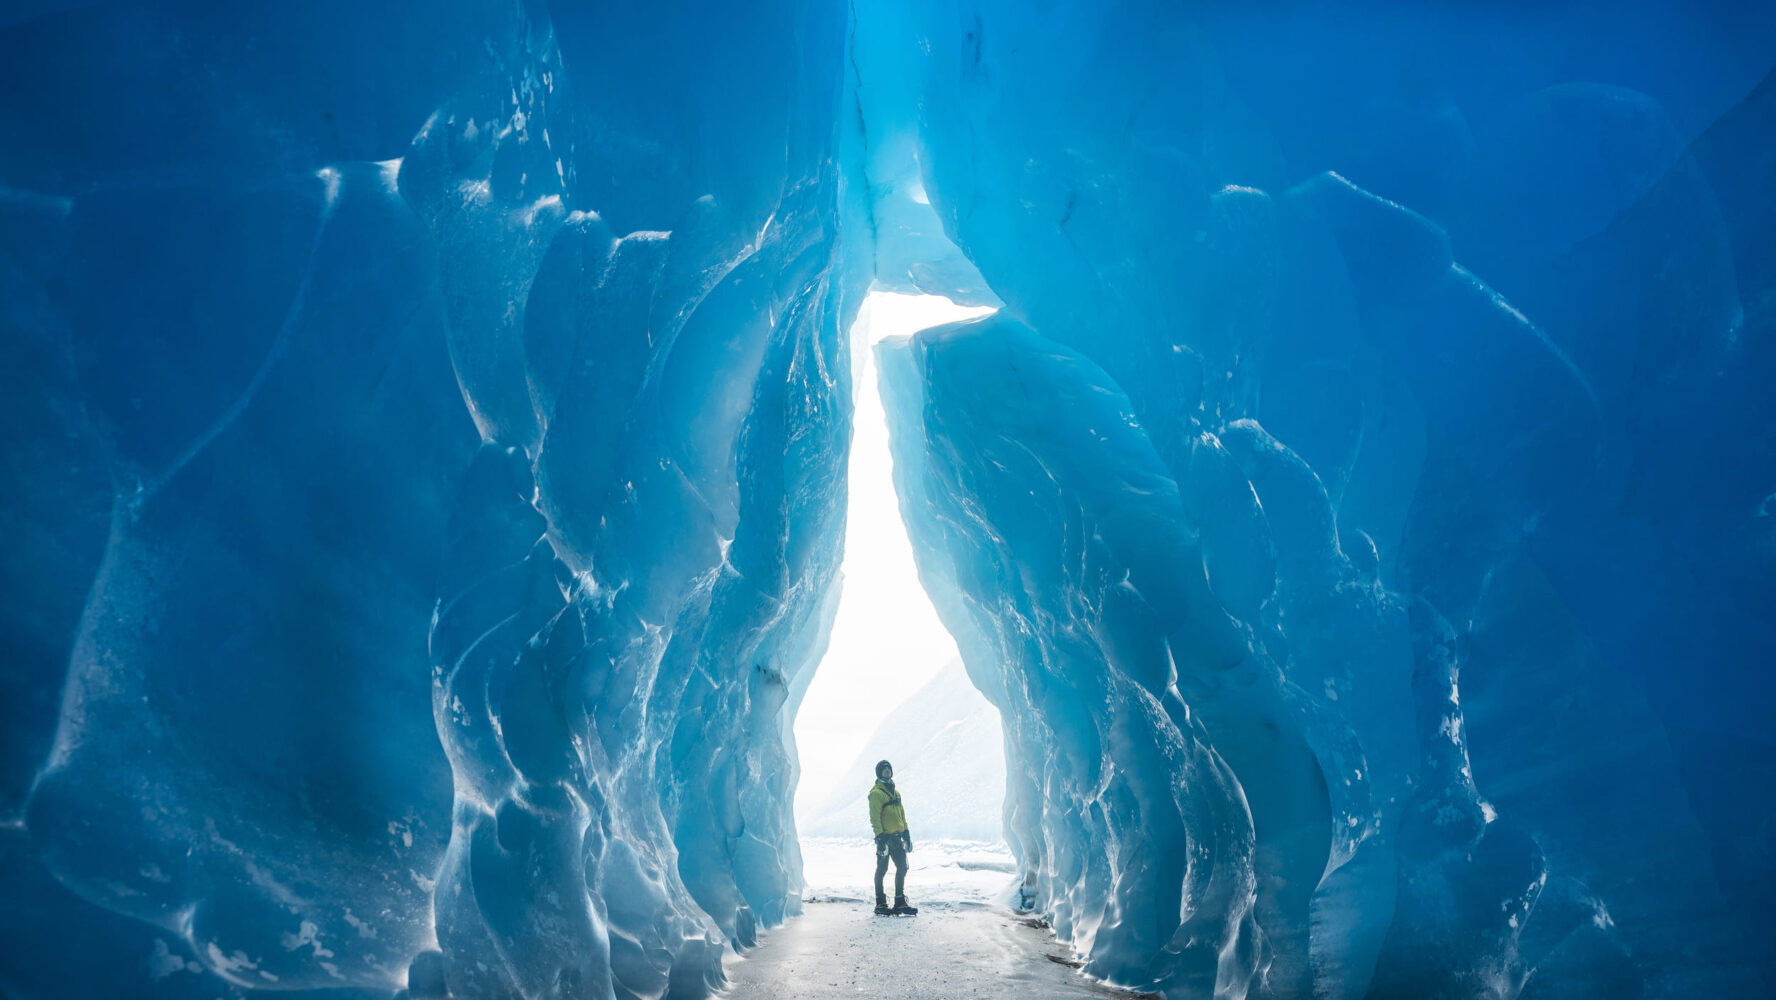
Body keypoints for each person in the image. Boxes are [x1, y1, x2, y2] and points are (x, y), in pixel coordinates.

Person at [868, 760, 916, 915]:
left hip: (897, 838)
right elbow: (874, 817)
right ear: (879, 773)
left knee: (903, 867)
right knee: (882, 869)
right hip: (885, 838)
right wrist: (880, 838)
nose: (887, 771)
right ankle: (880, 904)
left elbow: (902, 815)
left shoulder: (896, 793)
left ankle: (900, 902)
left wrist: (906, 833)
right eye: (884, 770)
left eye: (889, 769)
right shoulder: (876, 794)